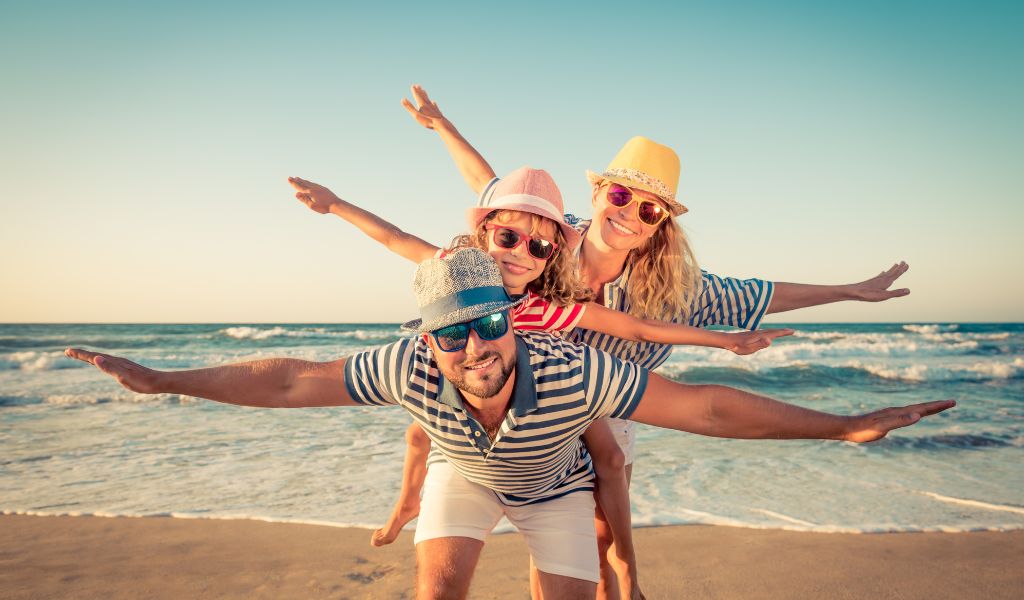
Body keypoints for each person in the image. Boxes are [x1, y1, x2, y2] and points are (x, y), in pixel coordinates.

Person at [65, 248, 953, 600]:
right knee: (437, 590)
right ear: (428, 338)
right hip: (466, 474)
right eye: (452, 333)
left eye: (491, 322)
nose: (475, 346)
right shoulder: (407, 365)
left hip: (555, 488)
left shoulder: (574, 370)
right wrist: (163, 380)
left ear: (510, 318)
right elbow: (291, 378)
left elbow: (707, 406)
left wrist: (839, 425)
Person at [400, 84, 913, 599]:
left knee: (604, 510)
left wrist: (848, 291)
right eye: (621, 196)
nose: (628, 214)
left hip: (611, 402)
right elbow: (490, 187)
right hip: (533, 394)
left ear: (659, 225)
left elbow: (760, 294)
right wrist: (443, 127)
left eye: (649, 211)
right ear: (598, 194)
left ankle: (624, 573)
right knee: (550, 534)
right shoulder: (548, 241)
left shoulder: (673, 288)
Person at [288, 166, 792, 597]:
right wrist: (335, 205)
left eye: (537, 245)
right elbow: (394, 237)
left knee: (611, 458)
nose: (518, 252)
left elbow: (636, 328)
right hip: (462, 388)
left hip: (545, 403)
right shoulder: (455, 270)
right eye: (506, 238)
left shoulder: (547, 308)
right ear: (486, 234)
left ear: (551, 254)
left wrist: (724, 341)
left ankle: (624, 565)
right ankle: (405, 505)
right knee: (420, 429)